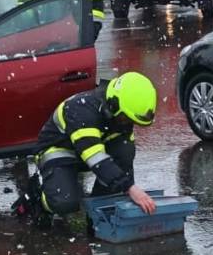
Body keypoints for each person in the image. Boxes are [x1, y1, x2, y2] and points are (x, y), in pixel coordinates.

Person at [29, 73, 159, 219]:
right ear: (113, 104)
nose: (127, 123)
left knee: (123, 151)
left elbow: (125, 156)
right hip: (58, 150)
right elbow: (95, 158)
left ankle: (98, 209)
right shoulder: (81, 110)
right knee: (65, 203)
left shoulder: (119, 114)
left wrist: (124, 186)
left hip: (89, 152)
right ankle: (39, 200)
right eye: (125, 118)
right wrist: (130, 188)